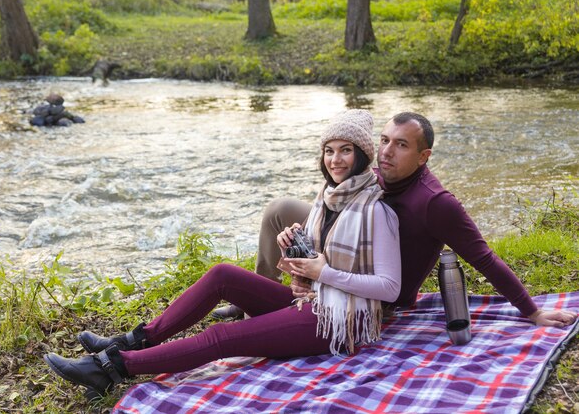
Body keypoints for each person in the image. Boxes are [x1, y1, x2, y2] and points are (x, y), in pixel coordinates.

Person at [43, 109, 402, 399]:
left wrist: (324, 273)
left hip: (338, 323)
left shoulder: (376, 211)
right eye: (329, 150)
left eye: (345, 150)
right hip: (313, 301)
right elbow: (322, 257)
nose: (335, 159)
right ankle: (133, 340)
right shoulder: (329, 199)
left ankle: (110, 368)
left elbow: (389, 288)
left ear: (361, 156)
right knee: (222, 275)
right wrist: (294, 244)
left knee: (222, 338)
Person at [214, 111, 577, 328]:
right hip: (347, 247)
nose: (386, 152)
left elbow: (484, 257)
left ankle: (266, 307)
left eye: (401, 145)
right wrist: (305, 229)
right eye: (385, 140)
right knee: (280, 211)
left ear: (423, 156)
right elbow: (335, 200)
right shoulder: (382, 172)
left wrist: (531, 311)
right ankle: (259, 297)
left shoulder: (436, 203)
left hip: (377, 285)